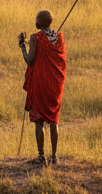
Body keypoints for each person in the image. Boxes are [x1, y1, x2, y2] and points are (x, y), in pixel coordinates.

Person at [19, 10, 67, 165]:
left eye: (36, 20)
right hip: (55, 84)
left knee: (39, 121)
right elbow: (61, 61)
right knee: (53, 120)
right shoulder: (59, 36)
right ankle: (54, 156)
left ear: (39, 22)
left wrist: (22, 47)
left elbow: (30, 61)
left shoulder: (36, 37)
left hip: (40, 82)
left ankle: (41, 156)